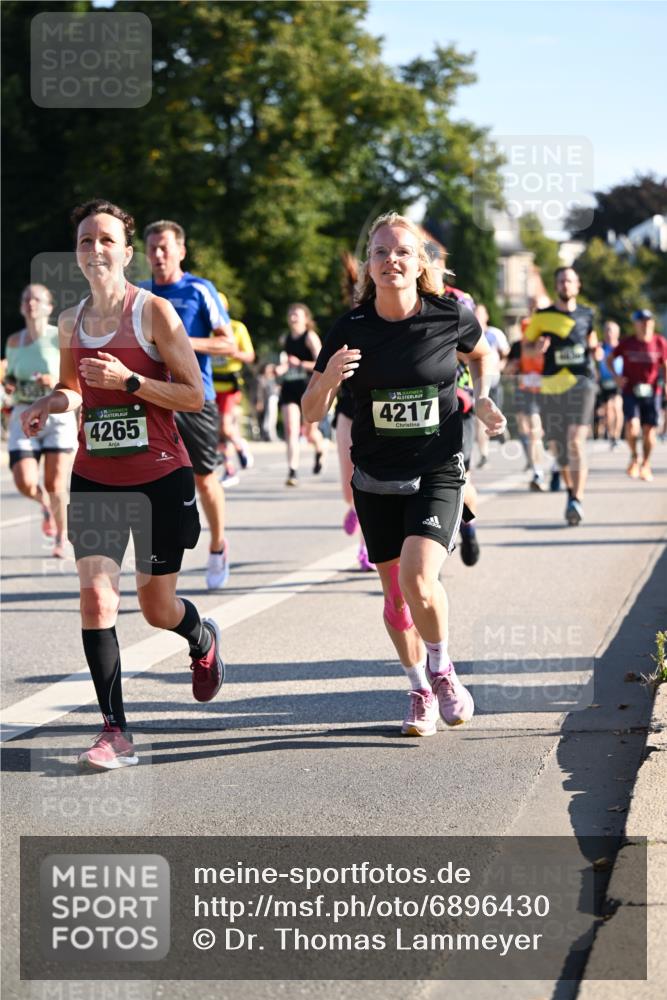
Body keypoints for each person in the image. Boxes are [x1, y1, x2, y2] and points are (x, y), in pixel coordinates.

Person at [20, 200, 225, 770]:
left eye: (106, 240)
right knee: (95, 597)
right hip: (96, 476)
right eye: (86, 241)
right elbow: (75, 389)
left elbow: (194, 395)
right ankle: (115, 730)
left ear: (126, 252)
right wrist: (49, 402)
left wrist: (131, 380)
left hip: (160, 475)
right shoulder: (69, 321)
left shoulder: (154, 312)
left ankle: (200, 638)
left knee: (156, 606)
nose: (95, 250)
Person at [302, 212, 505, 738]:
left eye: (402, 252)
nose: (391, 260)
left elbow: (484, 356)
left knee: (419, 578)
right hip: (375, 478)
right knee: (395, 599)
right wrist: (325, 379)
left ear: (419, 264)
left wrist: (482, 396)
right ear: (369, 266)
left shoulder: (448, 316)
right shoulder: (350, 328)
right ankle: (416, 686)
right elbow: (309, 411)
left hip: (438, 466)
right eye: (380, 252)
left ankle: (442, 670)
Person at [142, 220, 232, 589]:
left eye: (165, 248)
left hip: (196, 398)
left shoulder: (198, 289)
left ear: (181, 250)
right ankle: (159, 561)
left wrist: (178, 343)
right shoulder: (141, 294)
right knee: (151, 479)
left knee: (204, 479)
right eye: (152, 249)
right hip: (153, 398)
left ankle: (217, 544)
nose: (159, 255)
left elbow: (227, 344)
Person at [3, 284, 78, 557]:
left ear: (49, 307)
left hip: (57, 414)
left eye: (37, 299)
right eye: (26, 299)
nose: (30, 303)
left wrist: (53, 382)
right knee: (24, 481)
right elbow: (11, 375)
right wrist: (10, 384)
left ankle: (61, 535)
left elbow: (74, 381)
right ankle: (45, 504)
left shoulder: (59, 337)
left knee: (56, 482)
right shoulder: (14, 341)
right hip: (25, 412)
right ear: (22, 307)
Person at [524, 267, 597, 526]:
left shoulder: (588, 314)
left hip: (582, 382)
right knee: (559, 449)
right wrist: (537, 348)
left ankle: (577, 498)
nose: (565, 285)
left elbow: (592, 342)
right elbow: (526, 347)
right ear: (556, 286)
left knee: (575, 440)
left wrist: (597, 351)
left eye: (569, 280)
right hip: (552, 386)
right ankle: (570, 493)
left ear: (578, 285)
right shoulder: (542, 316)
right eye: (561, 281)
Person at [613, 309, 667, 482]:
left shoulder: (660, 342)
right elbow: (609, 359)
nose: (645, 324)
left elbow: (665, 365)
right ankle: (635, 457)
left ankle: (646, 463)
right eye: (641, 321)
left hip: (652, 392)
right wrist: (617, 377)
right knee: (632, 427)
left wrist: (666, 384)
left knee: (649, 431)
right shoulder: (627, 343)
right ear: (635, 324)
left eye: (648, 320)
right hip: (631, 390)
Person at [276, 303, 325, 487]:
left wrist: (300, 363)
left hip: (308, 388)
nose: (293, 317)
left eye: (296, 314)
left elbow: (322, 364)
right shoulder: (285, 338)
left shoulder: (310, 338)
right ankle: (292, 471)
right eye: (290, 314)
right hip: (289, 387)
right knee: (291, 430)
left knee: (310, 432)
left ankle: (320, 449)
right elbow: (285, 363)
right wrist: (279, 369)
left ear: (306, 318)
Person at [210, 294, 256, 486]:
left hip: (230, 386)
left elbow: (250, 356)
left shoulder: (237, 328)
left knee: (225, 427)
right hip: (211, 386)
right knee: (217, 432)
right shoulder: (206, 330)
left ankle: (240, 447)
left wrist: (232, 352)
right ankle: (229, 469)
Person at [506, 317, 547, 491]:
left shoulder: (544, 344)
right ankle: (535, 465)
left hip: (542, 392)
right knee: (526, 431)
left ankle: (538, 470)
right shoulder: (517, 346)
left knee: (535, 432)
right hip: (523, 391)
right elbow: (507, 370)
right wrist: (513, 368)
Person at [473, 304, 510, 468]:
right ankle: (484, 453)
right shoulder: (470, 334)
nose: (478, 316)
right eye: (475, 313)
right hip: (478, 382)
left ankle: (502, 431)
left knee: (495, 414)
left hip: (494, 381)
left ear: (486, 316)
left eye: (480, 313)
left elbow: (506, 353)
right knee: (480, 418)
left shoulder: (495, 334)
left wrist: (501, 366)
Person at [594, 321, 623, 448]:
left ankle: (616, 435)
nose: (608, 333)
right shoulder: (600, 347)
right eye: (606, 330)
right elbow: (595, 361)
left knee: (616, 406)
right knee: (608, 410)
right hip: (604, 381)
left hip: (618, 380)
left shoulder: (621, 347)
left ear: (617, 332)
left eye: (611, 330)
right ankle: (612, 435)